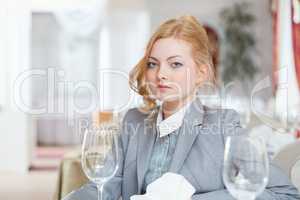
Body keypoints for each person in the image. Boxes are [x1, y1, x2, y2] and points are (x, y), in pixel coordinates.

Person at [63, 15, 300, 200]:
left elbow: (284, 193)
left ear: (201, 73)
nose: (161, 74)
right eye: (153, 64)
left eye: (175, 64)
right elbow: (105, 187)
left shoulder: (223, 125)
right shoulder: (133, 120)